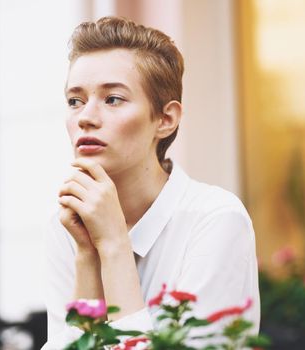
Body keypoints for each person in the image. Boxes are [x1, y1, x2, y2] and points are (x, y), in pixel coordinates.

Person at [43, 16, 260, 349]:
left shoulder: (216, 219)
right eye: (75, 100)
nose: (85, 117)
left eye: (112, 99)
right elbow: (77, 343)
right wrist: (88, 256)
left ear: (165, 119)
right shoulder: (68, 227)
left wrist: (114, 244)